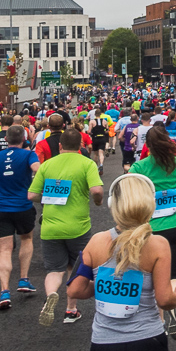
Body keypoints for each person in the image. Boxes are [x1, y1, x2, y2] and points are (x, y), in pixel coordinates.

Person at [69, 173, 176, 351]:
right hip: (147, 344)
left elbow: (75, 290)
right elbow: (164, 300)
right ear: (150, 205)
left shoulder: (96, 242)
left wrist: (105, 282)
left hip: (105, 347)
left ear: (115, 206)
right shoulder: (158, 244)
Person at [28, 129, 104, 326]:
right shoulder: (87, 163)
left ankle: (51, 295)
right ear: (80, 146)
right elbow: (96, 190)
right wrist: (97, 201)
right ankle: (71, 310)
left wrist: (47, 198)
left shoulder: (47, 165)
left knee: (54, 270)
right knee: (76, 268)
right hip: (78, 227)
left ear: (60, 146)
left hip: (50, 227)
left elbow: (32, 195)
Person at [130, 126, 176, 339]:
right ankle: (175, 305)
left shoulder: (139, 166)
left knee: (151, 276)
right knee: (174, 273)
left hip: (150, 230)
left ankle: (158, 323)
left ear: (147, 146)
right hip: (175, 226)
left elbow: (130, 192)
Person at [0, 124, 39, 310]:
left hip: (1, 207)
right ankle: (24, 280)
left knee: (4, 250)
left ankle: (4, 291)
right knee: (27, 239)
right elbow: (38, 168)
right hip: (23, 206)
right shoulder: (28, 155)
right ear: (23, 139)